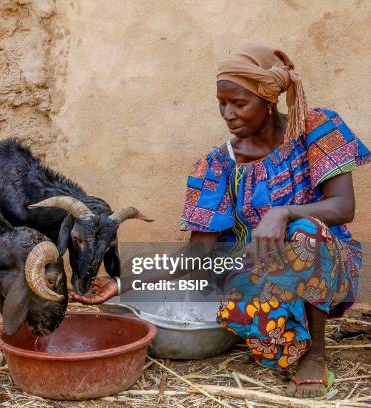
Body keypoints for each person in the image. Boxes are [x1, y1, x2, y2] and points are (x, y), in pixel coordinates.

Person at [71, 45, 370, 399]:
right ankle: (281, 329)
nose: (228, 114)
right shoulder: (216, 166)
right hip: (255, 273)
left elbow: (343, 207)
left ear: (268, 100)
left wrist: (283, 212)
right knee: (265, 336)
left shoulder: (316, 129)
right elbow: (199, 254)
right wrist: (121, 284)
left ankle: (315, 355)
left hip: (328, 263)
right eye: (222, 103)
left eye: (239, 104)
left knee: (306, 233)